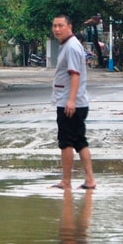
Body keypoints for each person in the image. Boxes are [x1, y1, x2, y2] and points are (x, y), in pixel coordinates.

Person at [51, 15, 96, 190]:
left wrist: (70, 100)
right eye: (54, 26)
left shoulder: (71, 47)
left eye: (60, 25)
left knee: (66, 142)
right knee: (79, 141)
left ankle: (66, 181)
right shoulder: (69, 45)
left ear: (69, 26)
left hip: (70, 103)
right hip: (72, 101)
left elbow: (74, 74)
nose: (56, 29)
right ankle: (89, 179)